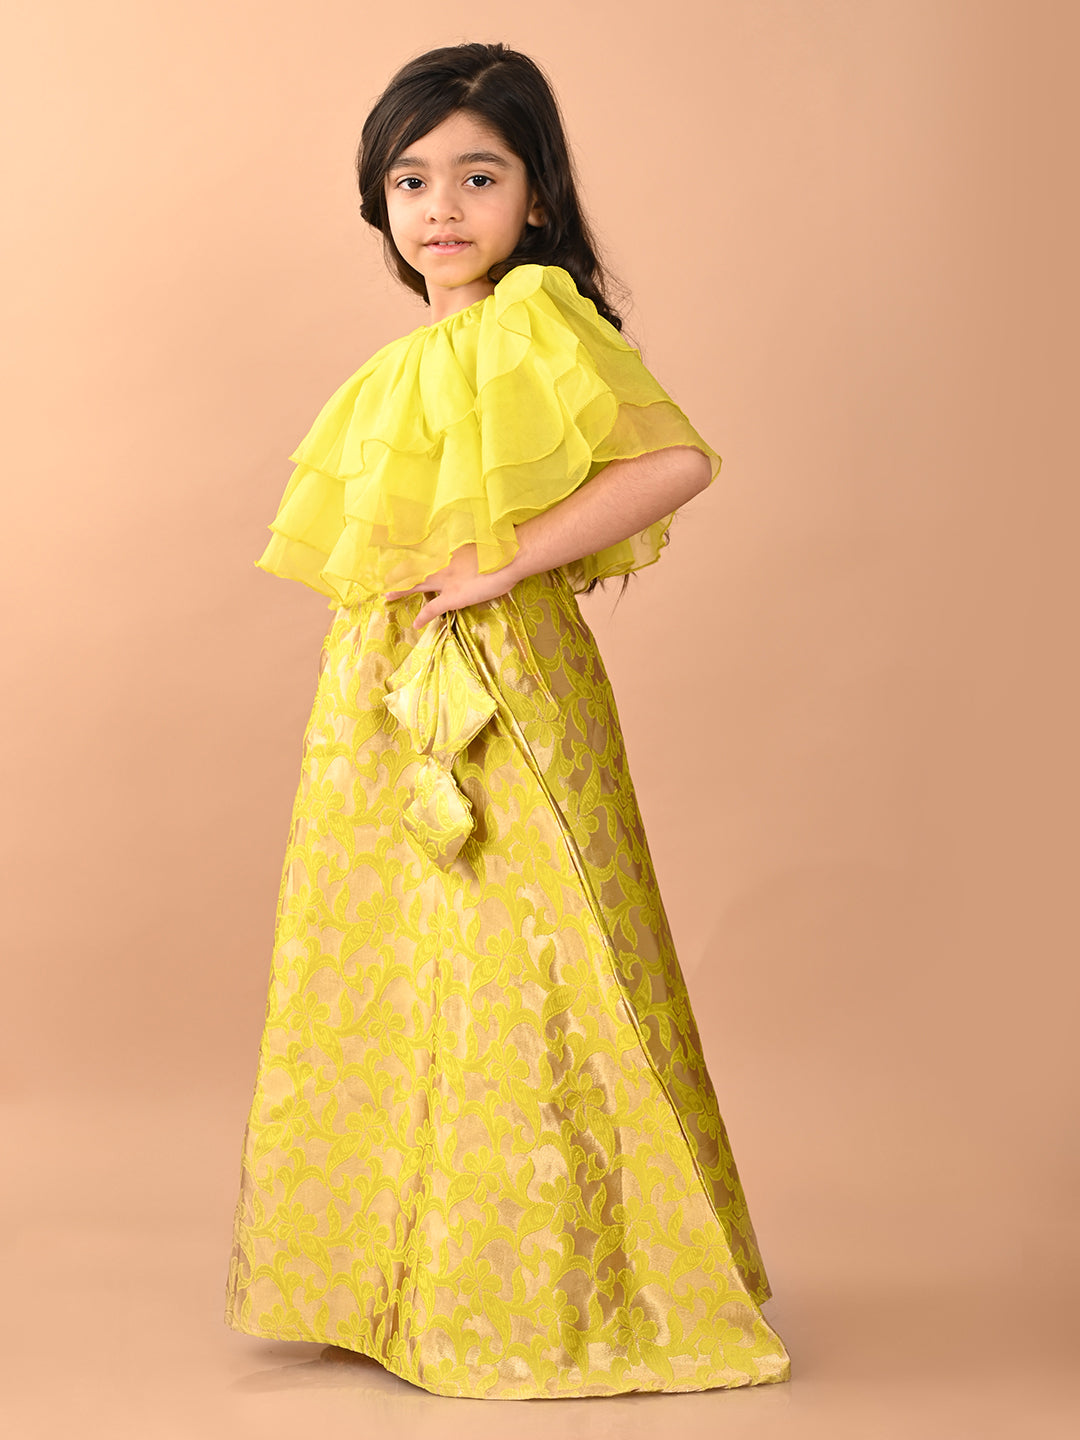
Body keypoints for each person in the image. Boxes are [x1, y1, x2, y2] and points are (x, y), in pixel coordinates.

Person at [224, 40, 791, 1401]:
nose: (442, 207)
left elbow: (674, 461)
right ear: (380, 201)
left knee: (531, 958)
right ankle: (406, 1281)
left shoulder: (535, 316)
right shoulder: (407, 363)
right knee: (407, 961)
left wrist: (504, 562)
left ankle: (558, 1288)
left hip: (503, 685)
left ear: (536, 197)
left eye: (479, 177)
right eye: (412, 181)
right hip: (387, 693)